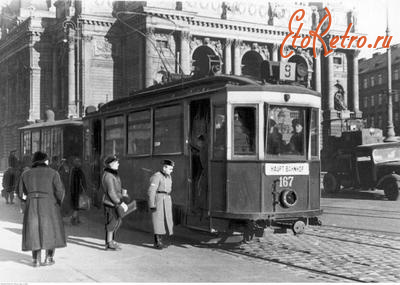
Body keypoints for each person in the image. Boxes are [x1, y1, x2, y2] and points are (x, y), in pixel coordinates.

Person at [18, 151, 66, 267]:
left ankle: (36, 260)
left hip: (32, 205)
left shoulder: (25, 174)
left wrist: (26, 201)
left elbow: (20, 193)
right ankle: (49, 258)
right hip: (49, 204)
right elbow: (60, 192)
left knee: (34, 230)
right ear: (45, 161)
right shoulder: (53, 173)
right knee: (50, 230)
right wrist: (58, 203)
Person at [101, 156, 128, 251]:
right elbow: (111, 192)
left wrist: (122, 194)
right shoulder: (108, 176)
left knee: (116, 221)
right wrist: (120, 202)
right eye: (116, 163)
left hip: (113, 202)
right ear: (110, 164)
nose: (118, 164)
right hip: (110, 203)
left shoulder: (112, 174)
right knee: (112, 223)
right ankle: (109, 243)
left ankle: (111, 241)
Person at [147, 159, 175, 249]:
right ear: (164, 167)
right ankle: (157, 242)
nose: (172, 171)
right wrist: (152, 204)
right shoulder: (157, 176)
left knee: (164, 221)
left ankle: (160, 241)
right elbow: (151, 191)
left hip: (166, 199)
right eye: (170, 169)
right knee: (158, 221)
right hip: (158, 200)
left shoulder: (168, 176)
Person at [69, 157, 87, 225]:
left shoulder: (73, 170)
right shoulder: (79, 170)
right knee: (77, 206)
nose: (80, 163)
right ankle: (73, 219)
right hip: (77, 190)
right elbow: (83, 180)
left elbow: (71, 181)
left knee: (76, 205)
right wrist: (84, 188)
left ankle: (77, 219)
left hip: (74, 190)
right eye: (79, 162)